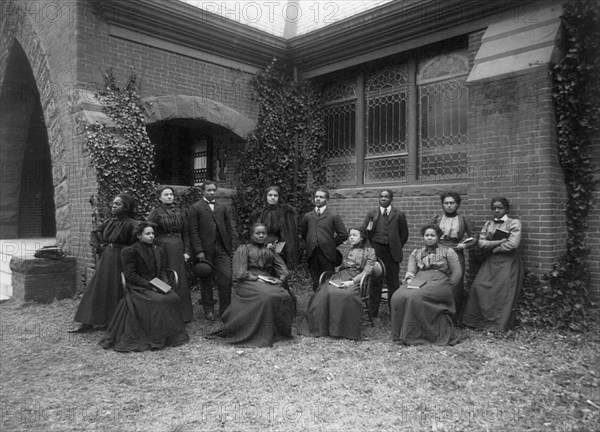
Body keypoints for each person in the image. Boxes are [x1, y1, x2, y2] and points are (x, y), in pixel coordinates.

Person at [99, 222, 189, 352]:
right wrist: (149, 285)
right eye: (148, 234)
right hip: (139, 287)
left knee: (173, 297)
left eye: (152, 233)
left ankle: (171, 336)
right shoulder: (129, 251)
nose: (151, 236)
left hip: (157, 284)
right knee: (159, 300)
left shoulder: (158, 250)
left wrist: (165, 284)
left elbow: (163, 270)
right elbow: (130, 275)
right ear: (139, 236)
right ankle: (155, 336)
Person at [210, 223, 295, 347]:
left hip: (267, 280)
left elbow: (283, 269)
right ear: (251, 235)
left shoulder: (270, 251)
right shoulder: (244, 249)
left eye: (263, 233)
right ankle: (259, 332)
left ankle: (277, 332)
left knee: (285, 295)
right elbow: (240, 273)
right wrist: (257, 278)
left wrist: (280, 279)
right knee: (266, 296)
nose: (261, 235)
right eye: (258, 233)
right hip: (247, 282)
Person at [69, 194, 138, 333]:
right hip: (106, 258)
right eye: (113, 203)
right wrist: (100, 246)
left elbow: (136, 245)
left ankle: (111, 321)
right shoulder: (109, 222)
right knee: (96, 288)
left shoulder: (133, 224)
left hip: (121, 259)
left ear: (126, 207)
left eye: (118, 204)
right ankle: (87, 322)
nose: (113, 206)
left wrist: (124, 251)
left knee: (115, 289)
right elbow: (95, 233)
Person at [390, 223, 462, 345]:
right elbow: (411, 271)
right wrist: (409, 280)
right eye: (426, 235)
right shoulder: (416, 252)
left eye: (432, 235)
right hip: (420, 280)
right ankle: (400, 334)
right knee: (397, 296)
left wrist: (448, 287)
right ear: (423, 237)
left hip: (440, 282)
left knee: (415, 297)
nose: (429, 238)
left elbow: (457, 273)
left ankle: (414, 335)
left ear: (438, 237)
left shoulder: (448, 252)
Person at [302, 227, 376, 340]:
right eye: (350, 235)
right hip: (341, 275)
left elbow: (366, 271)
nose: (351, 237)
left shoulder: (370, 252)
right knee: (324, 291)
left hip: (357, 278)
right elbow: (341, 267)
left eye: (354, 235)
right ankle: (323, 327)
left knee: (347, 295)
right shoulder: (348, 250)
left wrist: (352, 282)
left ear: (362, 238)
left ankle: (343, 330)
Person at [463, 197, 524, 331]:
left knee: (501, 290)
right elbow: (481, 243)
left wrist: (496, 248)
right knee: (478, 286)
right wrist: (499, 242)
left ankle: (496, 325)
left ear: (506, 209)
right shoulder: (488, 224)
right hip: (491, 261)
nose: (496, 210)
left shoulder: (514, 223)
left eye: (500, 208)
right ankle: (478, 321)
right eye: (494, 208)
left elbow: (513, 243)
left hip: (507, 261)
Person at [187, 180, 233, 320]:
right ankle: (208, 310)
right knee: (206, 279)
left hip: (221, 249)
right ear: (203, 191)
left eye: (214, 190)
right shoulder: (195, 208)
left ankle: (225, 310)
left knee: (226, 278)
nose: (212, 192)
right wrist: (199, 250)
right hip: (205, 251)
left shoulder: (222, 207)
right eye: (209, 190)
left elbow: (228, 228)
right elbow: (193, 232)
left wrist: (229, 247)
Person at [146, 186, 193, 322]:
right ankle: (167, 314)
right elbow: (149, 231)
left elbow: (186, 233)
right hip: (163, 247)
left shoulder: (180, 211)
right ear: (160, 197)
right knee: (166, 276)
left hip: (178, 248)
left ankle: (183, 315)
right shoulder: (156, 213)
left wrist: (187, 251)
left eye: (171, 194)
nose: (169, 197)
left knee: (180, 279)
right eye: (166, 194)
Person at [361, 190, 409, 317]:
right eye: (381, 196)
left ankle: (395, 312)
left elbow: (404, 235)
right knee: (375, 281)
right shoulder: (372, 214)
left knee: (393, 282)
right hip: (376, 251)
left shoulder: (399, 214)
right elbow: (365, 233)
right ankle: (373, 312)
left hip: (392, 252)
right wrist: (370, 250)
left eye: (386, 196)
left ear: (391, 199)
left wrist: (395, 245)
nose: (383, 198)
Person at [431, 191, 477, 316]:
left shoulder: (463, 220)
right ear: (442, 205)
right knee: (438, 280)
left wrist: (465, 245)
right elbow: (429, 235)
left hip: (456, 253)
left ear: (457, 205)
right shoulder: (437, 219)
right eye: (446, 203)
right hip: (439, 252)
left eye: (452, 203)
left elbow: (474, 238)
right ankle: (437, 313)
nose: (449, 205)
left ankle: (454, 315)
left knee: (456, 283)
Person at [300, 188, 348, 291]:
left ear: (327, 199)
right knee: (315, 281)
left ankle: (327, 303)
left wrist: (330, 244)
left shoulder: (333, 216)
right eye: (316, 197)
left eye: (321, 197)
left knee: (327, 280)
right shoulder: (308, 216)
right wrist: (311, 242)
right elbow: (304, 233)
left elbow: (343, 234)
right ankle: (316, 303)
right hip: (312, 253)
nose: (318, 199)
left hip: (327, 254)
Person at [251, 185, 300, 269]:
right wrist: (265, 244)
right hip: (264, 248)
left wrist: (278, 247)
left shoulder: (286, 212)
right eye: (270, 195)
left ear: (279, 197)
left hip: (281, 251)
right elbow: (256, 232)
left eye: (275, 195)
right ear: (266, 197)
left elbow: (288, 235)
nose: (272, 198)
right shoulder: (261, 213)